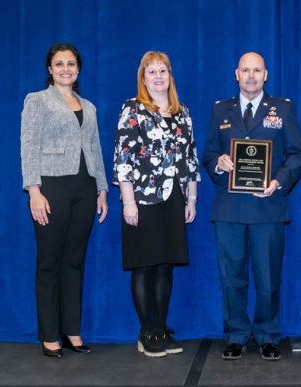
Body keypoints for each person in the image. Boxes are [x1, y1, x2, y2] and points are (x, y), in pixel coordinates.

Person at [202, 52, 301, 361]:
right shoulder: (221, 109)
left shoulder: (283, 109)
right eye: (245, 70)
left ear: (266, 75)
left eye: (256, 70)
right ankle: (235, 335)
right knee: (231, 277)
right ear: (236, 74)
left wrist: (279, 181)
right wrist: (218, 163)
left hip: (268, 206)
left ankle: (267, 335)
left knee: (268, 278)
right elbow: (208, 153)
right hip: (229, 209)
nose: (251, 75)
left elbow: (297, 155)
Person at [20, 43, 109, 358]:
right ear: (50, 69)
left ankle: (72, 330)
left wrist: (102, 189)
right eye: (59, 64)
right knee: (50, 263)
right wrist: (33, 189)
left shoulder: (89, 105)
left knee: (75, 261)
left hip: (85, 188)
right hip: (51, 187)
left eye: (71, 64)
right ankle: (49, 335)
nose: (66, 69)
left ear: (78, 69)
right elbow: (28, 145)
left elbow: (95, 149)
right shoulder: (38, 101)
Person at [112, 51, 200, 358]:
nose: (158, 76)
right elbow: (123, 159)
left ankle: (161, 327)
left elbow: (190, 159)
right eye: (152, 72)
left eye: (163, 71)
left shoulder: (183, 112)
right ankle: (145, 331)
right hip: (141, 200)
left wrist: (191, 198)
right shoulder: (132, 109)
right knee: (144, 265)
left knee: (166, 265)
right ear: (143, 78)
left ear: (170, 76)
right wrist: (127, 202)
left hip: (174, 200)